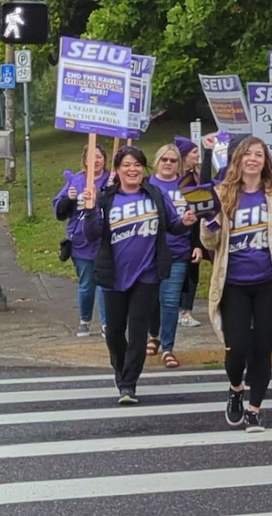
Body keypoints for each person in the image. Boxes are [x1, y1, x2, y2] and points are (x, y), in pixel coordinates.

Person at [201, 136, 272, 432]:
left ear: (265, 161)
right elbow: (209, 242)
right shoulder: (221, 194)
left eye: (259, 154)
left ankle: (254, 409)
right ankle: (235, 389)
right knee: (237, 349)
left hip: (268, 282)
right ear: (238, 160)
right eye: (248, 154)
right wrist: (209, 224)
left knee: (263, 348)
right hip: (233, 283)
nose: (253, 159)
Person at [83, 146, 196, 404]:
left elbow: (172, 225)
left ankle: (128, 384)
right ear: (118, 170)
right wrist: (90, 210)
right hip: (113, 276)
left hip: (147, 275)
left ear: (143, 169)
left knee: (137, 332)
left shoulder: (155, 194)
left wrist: (186, 223)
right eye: (126, 165)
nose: (132, 169)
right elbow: (91, 234)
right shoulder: (106, 197)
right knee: (113, 332)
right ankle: (121, 370)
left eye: (137, 164)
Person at [145, 144, 199, 368]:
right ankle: (153, 335)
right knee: (150, 299)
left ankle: (168, 347)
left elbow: (200, 216)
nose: (168, 163)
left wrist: (198, 245)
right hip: (149, 252)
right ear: (157, 161)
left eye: (173, 160)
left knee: (169, 300)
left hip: (179, 250)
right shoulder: (147, 185)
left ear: (180, 163)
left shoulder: (187, 186)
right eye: (164, 159)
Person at [54, 145, 111, 338]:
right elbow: (60, 212)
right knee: (87, 283)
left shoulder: (111, 180)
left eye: (100, 156)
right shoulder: (76, 181)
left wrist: (103, 194)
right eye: (91, 156)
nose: (96, 160)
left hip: (105, 240)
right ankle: (85, 320)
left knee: (105, 283)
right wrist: (69, 200)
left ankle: (106, 324)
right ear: (84, 160)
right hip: (81, 242)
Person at [175, 135, 205, 329]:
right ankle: (175, 309)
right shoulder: (175, 180)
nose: (198, 155)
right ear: (184, 156)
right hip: (175, 232)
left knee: (192, 270)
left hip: (195, 230)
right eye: (194, 152)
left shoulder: (197, 177)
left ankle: (186, 311)